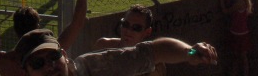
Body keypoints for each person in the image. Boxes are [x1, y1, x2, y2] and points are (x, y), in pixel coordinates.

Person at [0, 0, 91, 76]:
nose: (48, 66)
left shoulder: (3, 59)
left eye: (53, 57)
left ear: (15, 31)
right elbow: (77, 22)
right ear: (38, 26)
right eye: (38, 63)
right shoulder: (54, 49)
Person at [13, 28, 217, 76]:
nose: (50, 66)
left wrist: (190, 53)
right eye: (38, 64)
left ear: (64, 55)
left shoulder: (96, 66)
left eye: (54, 56)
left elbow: (154, 51)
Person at [93, 4, 166, 76]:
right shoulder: (103, 46)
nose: (128, 31)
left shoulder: (154, 64)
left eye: (136, 27)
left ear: (147, 32)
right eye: (125, 24)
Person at [218, 0, 252, 76]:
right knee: (241, 56)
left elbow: (225, 11)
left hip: (238, 34)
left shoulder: (239, 2)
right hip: (242, 32)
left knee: (237, 57)